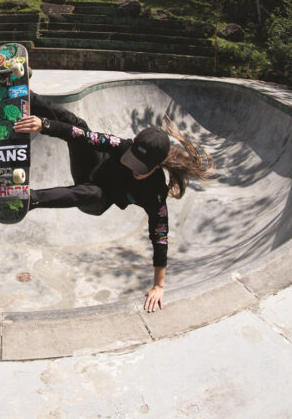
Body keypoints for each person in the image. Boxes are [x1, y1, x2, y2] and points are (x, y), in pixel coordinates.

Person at [13, 93, 216, 313]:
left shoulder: (155, 194)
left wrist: (158, 285)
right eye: (132, 161)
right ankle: (28, 96)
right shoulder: (123, 145)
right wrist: (45, 125)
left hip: (98, 200)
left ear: (157, 167)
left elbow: (160, 237)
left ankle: (28, 199)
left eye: (141, 168)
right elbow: (84, 137)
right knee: (79, 125)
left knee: (93, 193)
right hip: (88, 168)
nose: (134, 170)